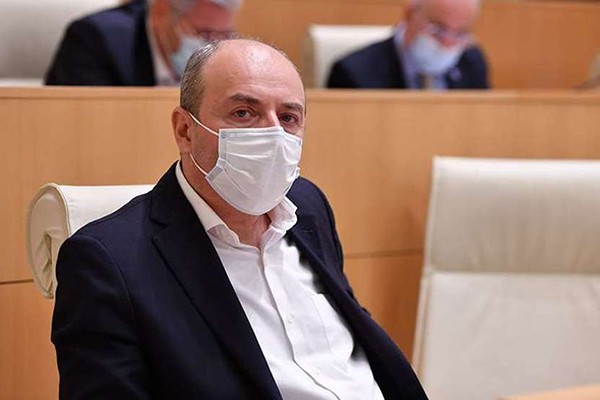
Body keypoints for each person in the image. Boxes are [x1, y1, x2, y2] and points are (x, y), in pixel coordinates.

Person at [52, 38, 429, 399]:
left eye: (288, 117)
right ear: (185, 131)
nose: (273, 134)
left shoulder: (308, 207)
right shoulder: (107, 263)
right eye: (243, 113)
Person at [45, 0, 241, 86]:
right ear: (161, 12)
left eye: (224, 34)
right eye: (204, 33)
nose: (212, 45)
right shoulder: (95, 39)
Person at [327, 0, 489, 90]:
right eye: (437, 29)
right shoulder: (353, 72)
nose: (447, 42)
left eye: (460, 33)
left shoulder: (471, 63)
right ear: (410, 14)